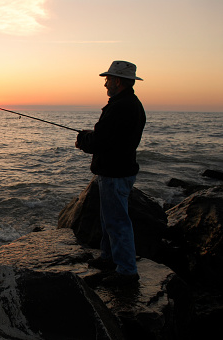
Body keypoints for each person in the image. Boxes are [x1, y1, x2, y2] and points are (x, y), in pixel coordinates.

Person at [76, 60, 146, 286]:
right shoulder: (130, 104)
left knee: (117, 223)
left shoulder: (120, 107)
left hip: (115, 174)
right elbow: (112, 137)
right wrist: (91, 136)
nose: (105, 84)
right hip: (119, 170)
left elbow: (102, 141)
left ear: (117, 81)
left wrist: (83, 140)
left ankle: (127, 272)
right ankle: (109, 258)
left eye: (107, 79)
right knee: (109, 220)